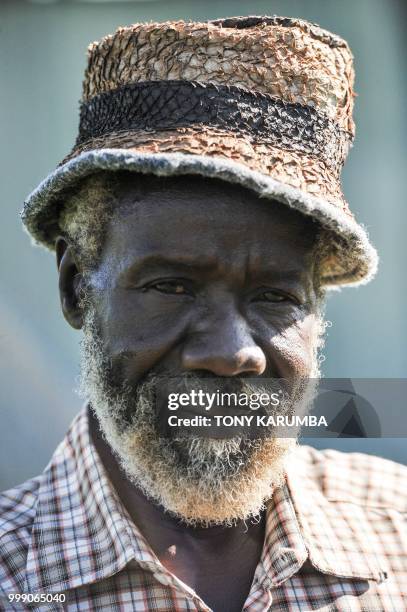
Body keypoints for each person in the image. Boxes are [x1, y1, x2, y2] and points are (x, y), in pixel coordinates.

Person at [1, 16, 406, 612]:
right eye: (171, 286)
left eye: (276, 297)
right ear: (75, 288)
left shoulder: (397, 533)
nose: (229, 354)